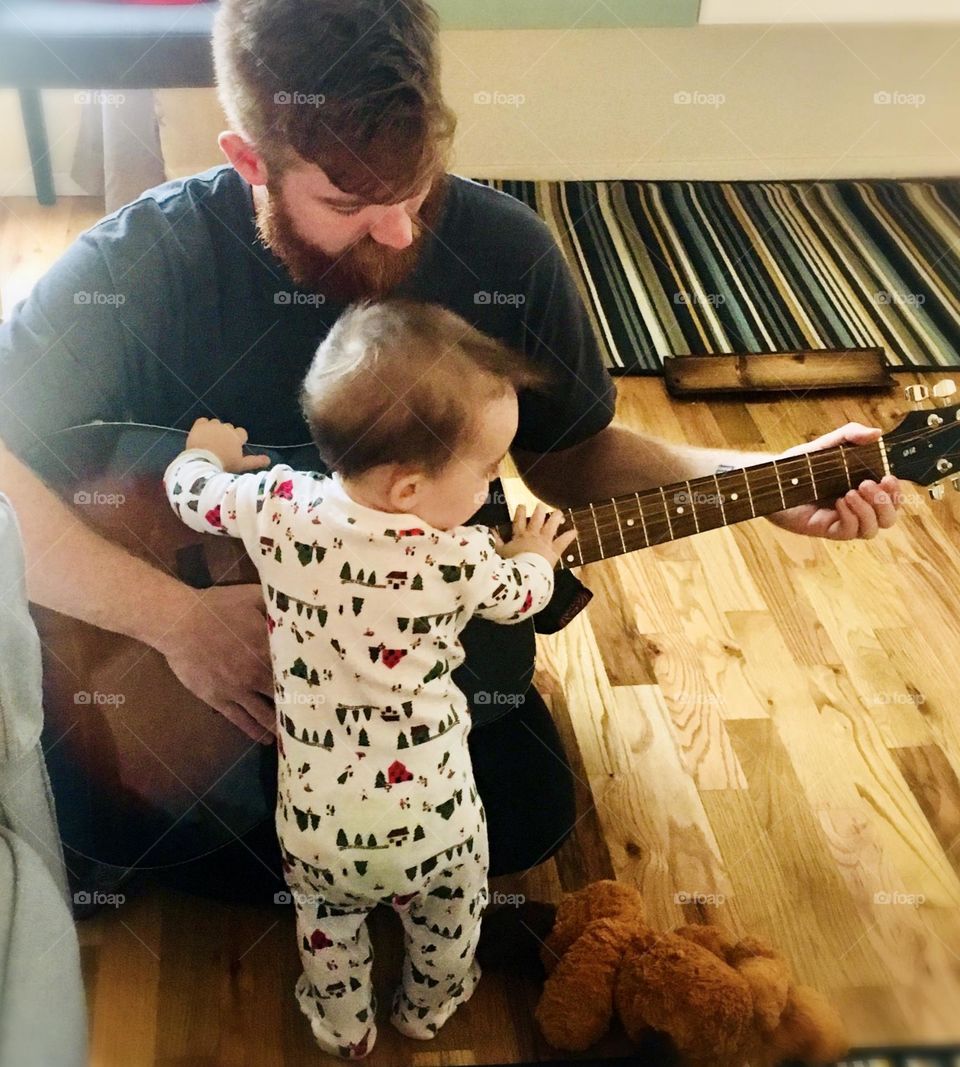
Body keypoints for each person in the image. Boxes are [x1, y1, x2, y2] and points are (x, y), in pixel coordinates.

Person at [0, 0, 901, 914]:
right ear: (250, 163)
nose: (397, 231)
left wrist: (755, 483)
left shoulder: (510, 250)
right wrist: (176, 622)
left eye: (416, 184)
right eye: (348, 204)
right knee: (109, 809)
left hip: (396, 676)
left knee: (526, 815)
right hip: (173, 673)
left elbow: (574, 460)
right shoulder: (146, 262)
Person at [161, 298, 578, 1057]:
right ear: (410, 490)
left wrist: (203, 456)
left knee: (327, 924)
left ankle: (341, 1024)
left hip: (318, 818)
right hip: (438, 817)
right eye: (488, 467)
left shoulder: (278, 503)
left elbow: (188, 496)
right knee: (453, 918)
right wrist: (536, 552)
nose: (494, 483)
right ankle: (430, 1004)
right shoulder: (459, 558)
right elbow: (522, 600)